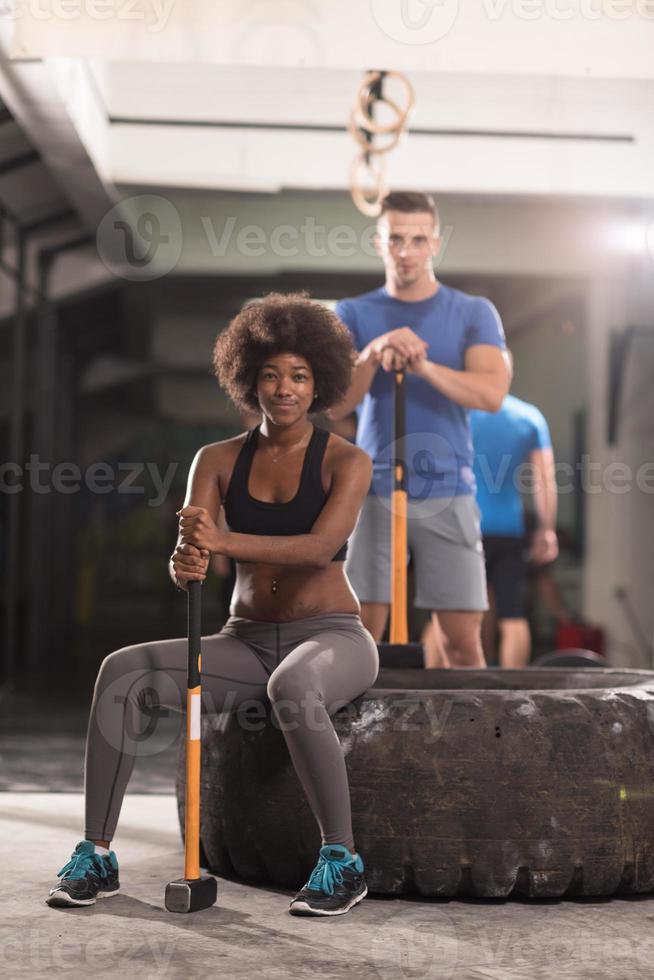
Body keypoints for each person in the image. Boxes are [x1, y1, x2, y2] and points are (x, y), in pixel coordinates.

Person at [46, 292, 379, 918]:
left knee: (294, 684)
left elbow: (318, 548)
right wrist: (186, 563)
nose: (285, 387)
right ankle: (96, 853)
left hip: (332, 637)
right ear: (249, 379)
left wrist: (222, 540)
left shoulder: (347, 460)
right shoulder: (218, 459)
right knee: (123, 672)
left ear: (320, 385)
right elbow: (192, 549)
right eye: (271, 374)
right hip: (245, 640)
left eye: (300, 376)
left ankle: (343, 861)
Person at [330, 191, 509, 667]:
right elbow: (335, 403)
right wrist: (374, 351)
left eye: (417, 239)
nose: (405, 251)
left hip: (449, 488)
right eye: (395, 239)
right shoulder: (352, 313)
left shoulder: (473, 312)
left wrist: (423, 366)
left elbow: (491, 394)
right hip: (374, 490)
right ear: (379, 242)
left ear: (436, 241)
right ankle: (356, 740)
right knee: (361, 635)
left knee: (461, 643)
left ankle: (474, 742)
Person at [471, 354, 558, 667]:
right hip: (509, 526)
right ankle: (513, 695)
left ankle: (460, 688)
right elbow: (544, 480)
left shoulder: (460, 413)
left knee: (460, 613)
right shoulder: (529, 417)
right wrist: (546, 528)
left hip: (465, 526)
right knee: (512, 613)